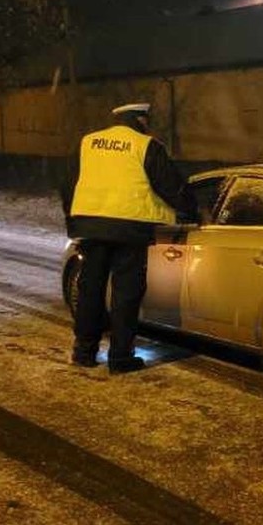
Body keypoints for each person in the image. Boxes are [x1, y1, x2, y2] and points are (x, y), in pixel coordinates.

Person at [60, 102, 194, 373]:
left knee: (90, 291)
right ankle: (120, 358)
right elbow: (171, 185)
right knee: (126, 294)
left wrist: (74, 217)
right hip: (129, 230)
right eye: (146, 120)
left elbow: (68, 183)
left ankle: (83, 351)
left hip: (92, 228)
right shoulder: (144, 145)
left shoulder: (88, 142)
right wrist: (191, 210)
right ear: (139, 120)